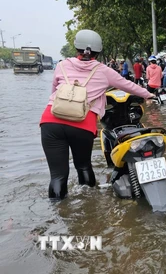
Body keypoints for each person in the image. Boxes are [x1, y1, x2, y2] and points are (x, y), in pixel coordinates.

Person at [39, 29, 155, 200]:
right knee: (84, 167)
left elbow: (54, 91)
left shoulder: (61, 65)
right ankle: (88, 205)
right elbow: (127, 85)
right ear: (98, 50)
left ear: (76, 46)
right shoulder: (103, 70)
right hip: (82, 124)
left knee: (57, 176)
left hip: (51, 121)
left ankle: (58, 213)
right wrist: (149, 94)